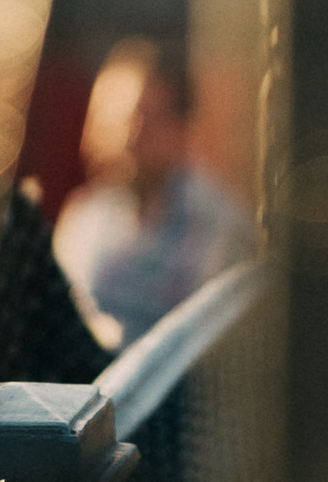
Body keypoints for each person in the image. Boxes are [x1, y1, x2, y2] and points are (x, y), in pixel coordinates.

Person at [53, 44, 250, 346]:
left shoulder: (218, 225)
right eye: (109, 117)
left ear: (181, 128)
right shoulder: (86, 217)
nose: (123, 135)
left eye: (139, 119)